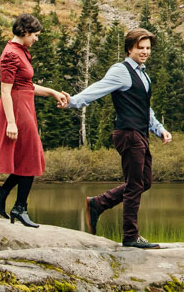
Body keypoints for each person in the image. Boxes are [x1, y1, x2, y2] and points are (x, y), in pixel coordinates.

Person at [71, 27, 171, 249]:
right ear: (129, 48)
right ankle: (130, 236)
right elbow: (98, 89)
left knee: (144, 182)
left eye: (148, 48)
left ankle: (98, 203)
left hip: (140, 133)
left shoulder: (144, 74)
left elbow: (145, 108)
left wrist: (159, 129)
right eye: (140, 48)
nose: (145, 52)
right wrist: (73, 101)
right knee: (135, 184)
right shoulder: (121, 70)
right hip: (128, 133)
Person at [0, 12, 69, 227]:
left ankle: (1, 193)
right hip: (17, 109)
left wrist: (51, 92)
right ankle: (19, 207)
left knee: (26, 159)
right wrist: (11, 122)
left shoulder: (20, 51)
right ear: (25, 32)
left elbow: (27, 86)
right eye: (36, 35)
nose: (37, 39)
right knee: (31, 158)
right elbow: (5, 91)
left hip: (25, 105)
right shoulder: (11, 54)